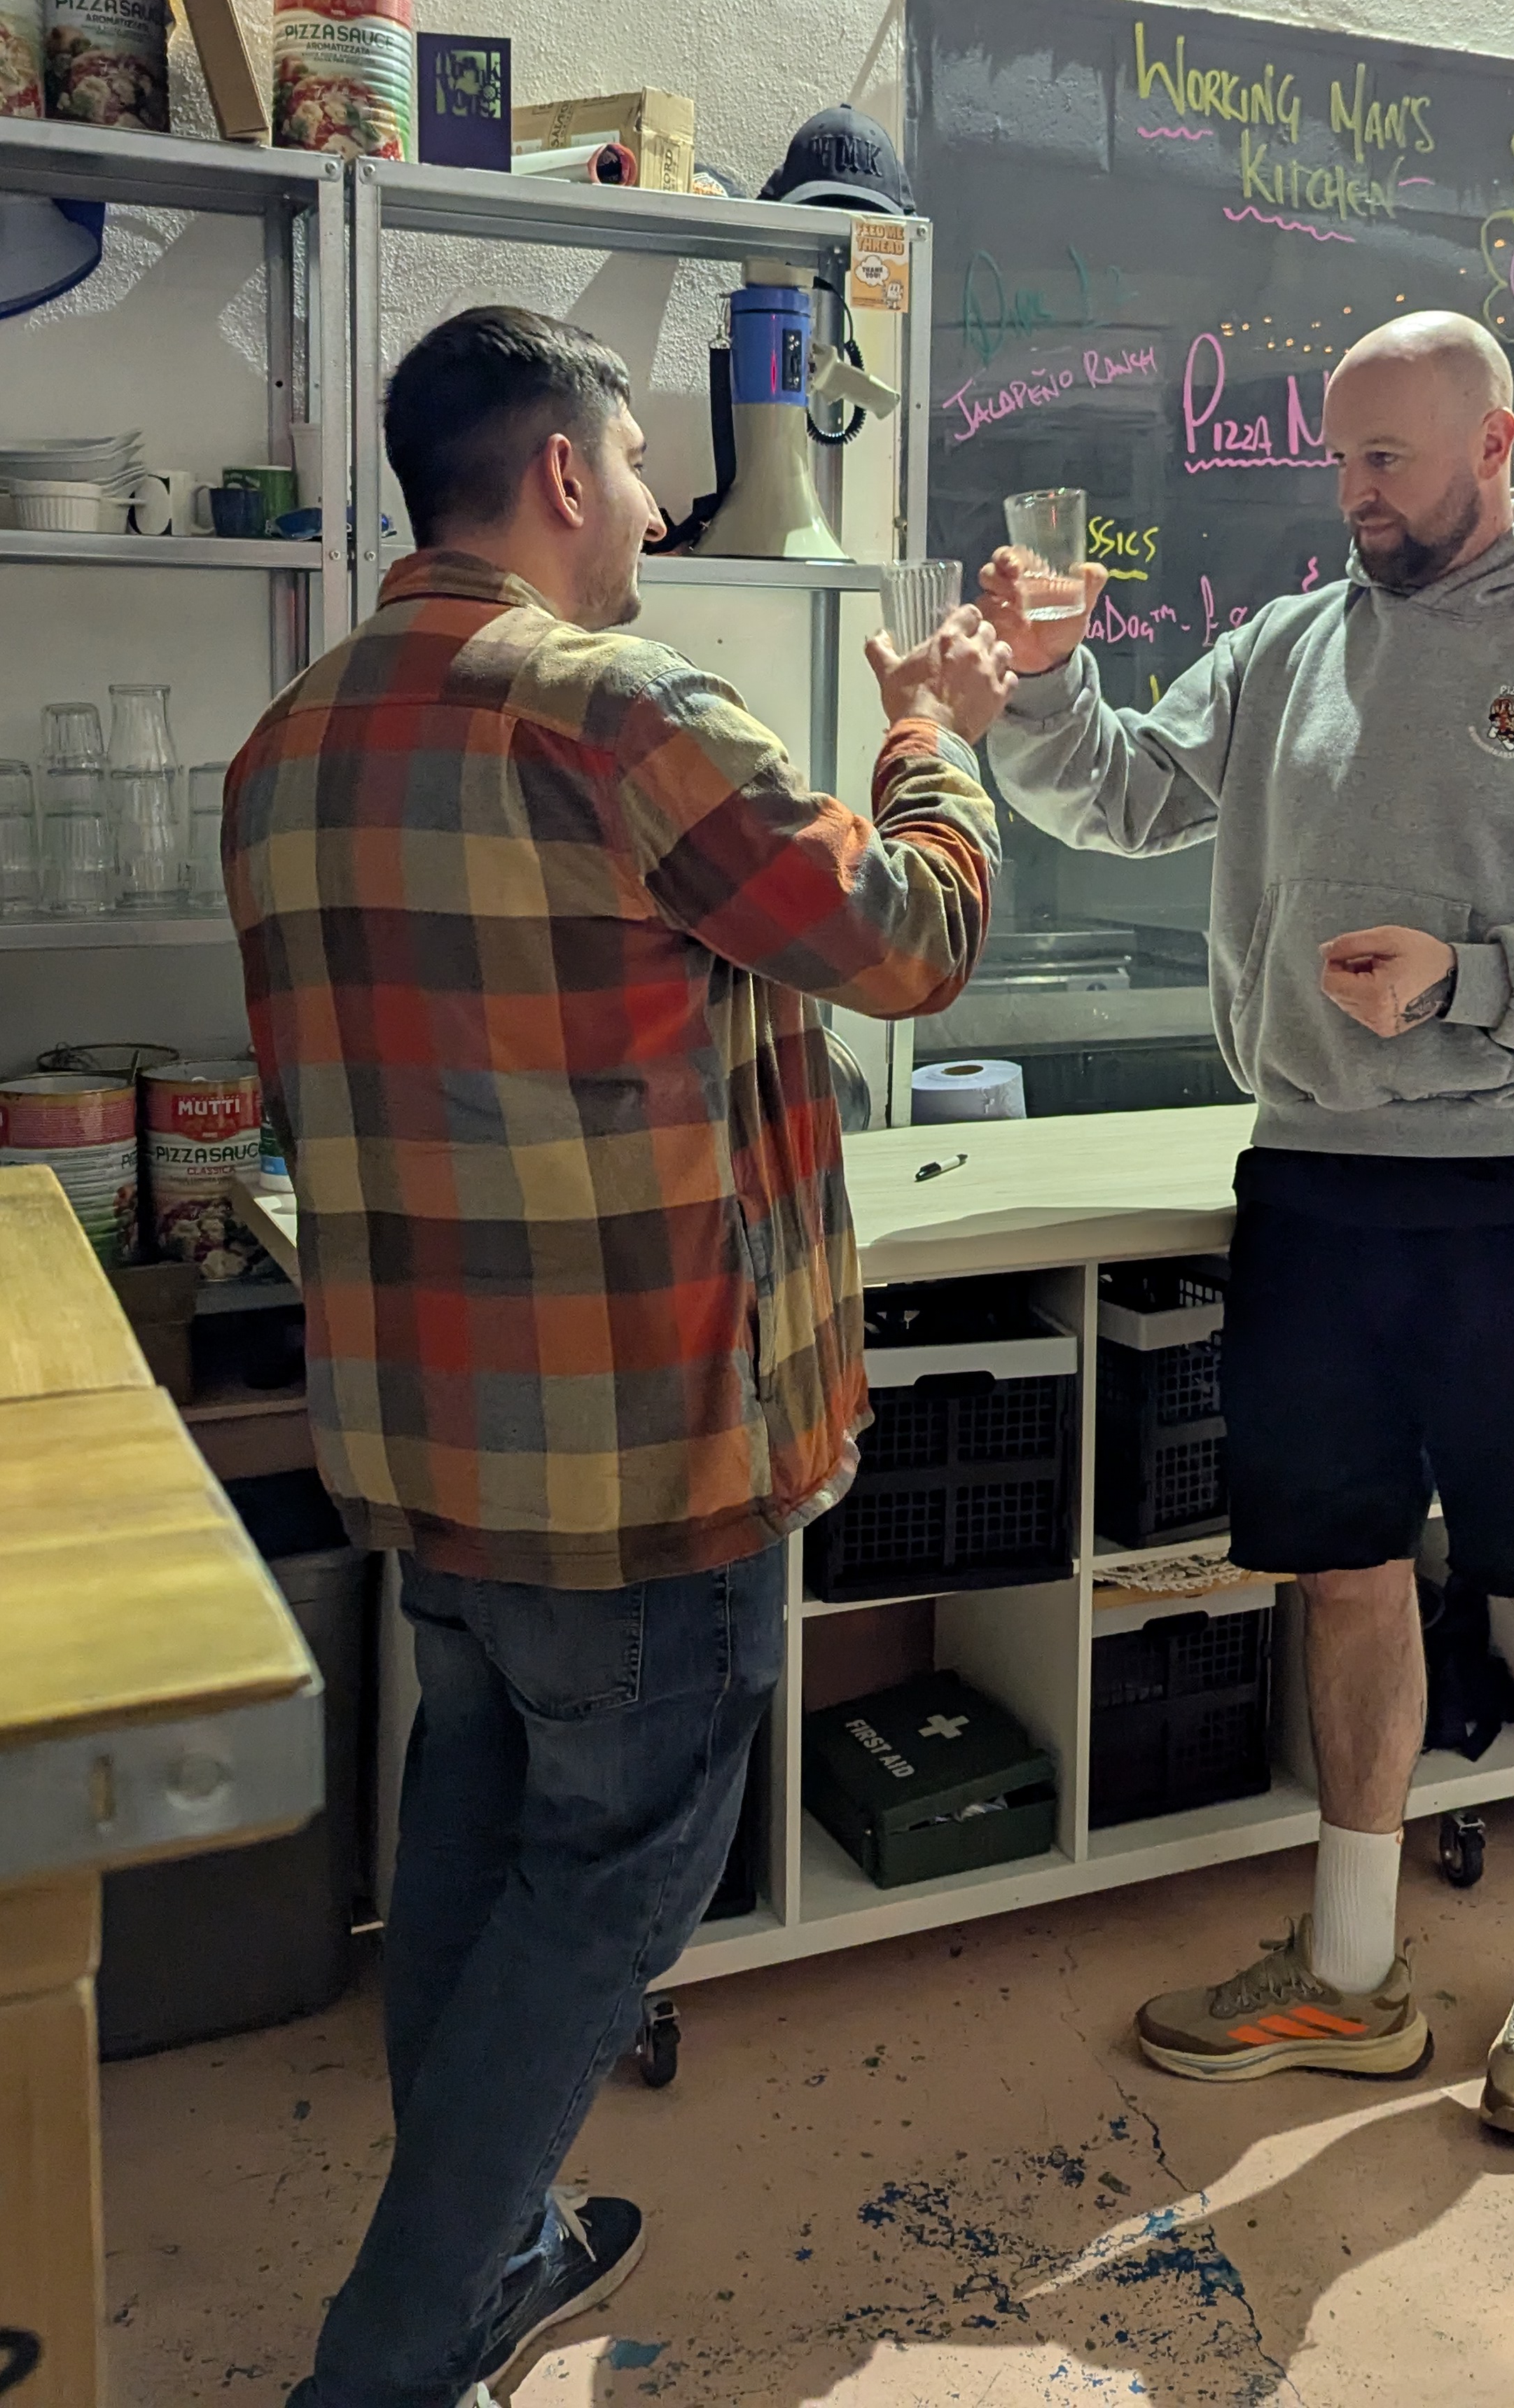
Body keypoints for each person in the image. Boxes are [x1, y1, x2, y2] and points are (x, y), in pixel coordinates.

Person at [225, 304, 1011, 2408]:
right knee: (611, 1892)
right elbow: (914, 938)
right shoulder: (615, 708)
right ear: (564, 475)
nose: (664, 499)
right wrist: (935, 731)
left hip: (428, 1447)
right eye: (647, 460)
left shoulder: (286, 740)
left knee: (474, 1854)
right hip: (643, 1456)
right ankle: (387, 2358)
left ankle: (480, 2256)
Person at [979, 309, 1514, 2145]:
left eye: (1388, 460)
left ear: (1494, 449)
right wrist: (1035, 687)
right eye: (1338, 460)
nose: (1355, 497)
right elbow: (1122, 791)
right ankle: (1351, 1970)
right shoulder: (1288, 651)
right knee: (1338, 1569)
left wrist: (1476, 980)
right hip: (1317, 1188)